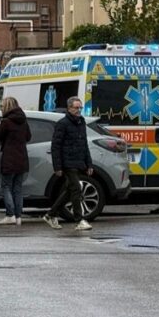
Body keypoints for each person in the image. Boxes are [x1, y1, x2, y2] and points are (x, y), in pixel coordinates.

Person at [43, 97, 94, 231]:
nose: (78, 111)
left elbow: (84, 144)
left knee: (69, 191)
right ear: (69, 108)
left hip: (78, 161)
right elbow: (56, 146)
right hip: (67, 162)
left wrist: (89, 164)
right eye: (76, 108)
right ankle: (79, 220)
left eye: (80, 108)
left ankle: (51, 214)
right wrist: (57, 167)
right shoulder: (63, 124)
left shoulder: (81, 122)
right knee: (76, 188)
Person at [0, 97, 31, 226]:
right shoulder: (23, 121)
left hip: (9, 158)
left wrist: (0, 126)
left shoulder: (6, 122)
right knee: (18, 189)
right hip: (22, 158)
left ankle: (10, 215)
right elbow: (28, 137)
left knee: (6, 186)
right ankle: (19, 216)